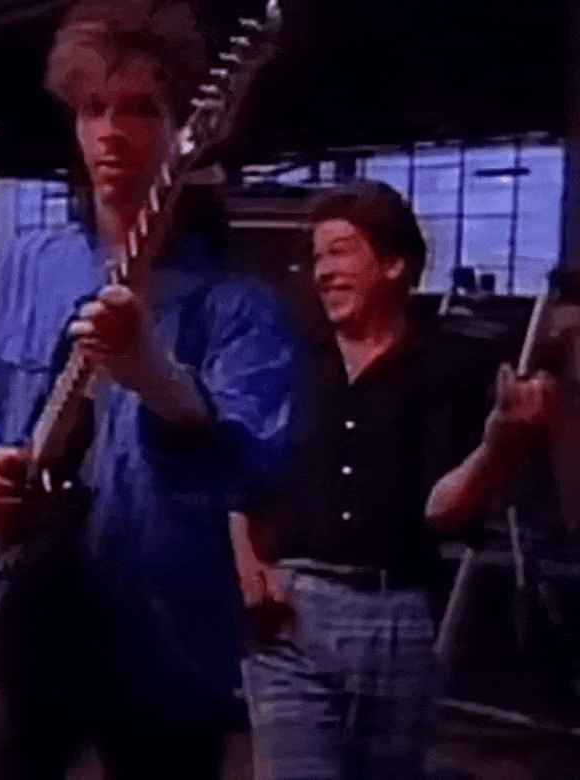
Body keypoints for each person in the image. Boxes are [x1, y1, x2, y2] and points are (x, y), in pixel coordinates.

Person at [0, 1, 297, 777]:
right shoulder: (21, 271)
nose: (111, 133)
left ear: (190, 130)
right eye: (93, 109)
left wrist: (161, 382)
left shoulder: (239, 308)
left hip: (168, 649)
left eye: (140, 109)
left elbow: (255, 463)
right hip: (31, 628)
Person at [234, 180, 561, 779]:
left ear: (393, 265)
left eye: (340, 253)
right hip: (291, 620)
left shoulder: (449, 369)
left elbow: (442, 510)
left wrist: (500, 444)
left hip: (399, 621)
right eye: (318, 257)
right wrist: (251, 577)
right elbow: (238, 471)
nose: (323, 272)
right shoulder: (291, 364)